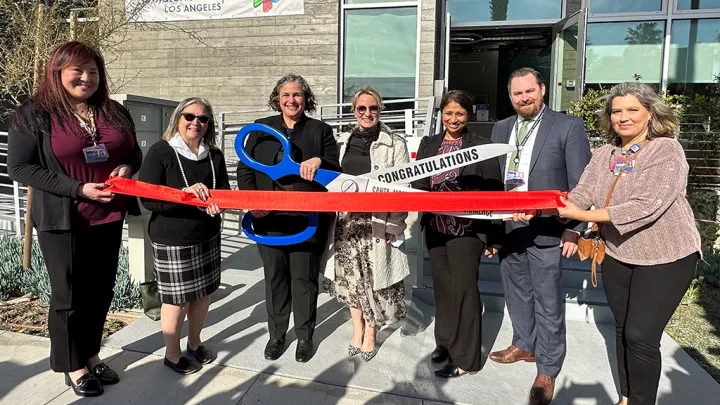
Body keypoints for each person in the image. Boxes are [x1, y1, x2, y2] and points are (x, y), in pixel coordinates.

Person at [514, 82, 701, 405]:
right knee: (622, 329)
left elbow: (647, 205)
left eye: (632, 110)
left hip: (666, 257)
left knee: (640, 336)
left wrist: (584, 215)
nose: (623, 117)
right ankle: (627, 396)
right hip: (618, 253)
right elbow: (580, 195)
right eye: (616, 111)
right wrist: (541, 208)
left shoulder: (666, 150)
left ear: (650, 113)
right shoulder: (605, 154)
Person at [7, 41, 141, 397]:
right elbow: (20, 167)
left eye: (94, 72)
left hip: (108, 215)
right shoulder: (32, 115)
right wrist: (79, 189)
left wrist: (128, 167)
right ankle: (73, 365)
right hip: (64, 219)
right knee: (68, 297)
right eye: (77, 71)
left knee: (100, 292)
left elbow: (134, 152)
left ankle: (92, 354)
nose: (86, 78)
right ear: (58, 73)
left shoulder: (112, 111)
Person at [488, 67, 591, 404]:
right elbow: (495, 182)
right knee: (516, 292)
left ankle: (547, 369)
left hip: (549, 229)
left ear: (542, 90)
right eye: (517, 94)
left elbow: (581, 184)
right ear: (510, 97)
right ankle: (524, 344)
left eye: (529, 91)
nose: (524, 98)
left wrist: (574, 230)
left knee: (548, 302)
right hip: (510, 227)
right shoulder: (502, 128)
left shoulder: (567, 126)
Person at [236, 74, 340, 363]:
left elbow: (335, 168)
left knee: (304, 280)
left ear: (306, 99)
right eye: (286, 95)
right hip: (268, 220)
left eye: (297, 95)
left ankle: (305, 337)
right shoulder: (260, 130)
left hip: (307, 221)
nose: (291, 100)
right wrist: (252, 202)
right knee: (276, 278)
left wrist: (320, 160)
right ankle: (277, 335)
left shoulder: (320, 131)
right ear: (277, 98)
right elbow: (246, 169)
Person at [411, 90, 504, 379]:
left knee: (464, 291)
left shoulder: (481, 146)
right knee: (444, 291)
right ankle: (446, 345)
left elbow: (493, 192)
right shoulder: (429, 144)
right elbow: (418, 184)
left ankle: (468, 359)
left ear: (468, 116)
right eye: (448, 113)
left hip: (467, 232)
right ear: (441, 114)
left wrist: (494, 235)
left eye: (460, 114)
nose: (453, 119)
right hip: (437, 229)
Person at [138, 97, 230, 375]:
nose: (196, 123)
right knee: (176, 301)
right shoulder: (161, 152)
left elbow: (223, 190)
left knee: (202, 295)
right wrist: (184, 195)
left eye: (203, 119)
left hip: (207, 235)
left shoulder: (213, 155)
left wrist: (218, 202)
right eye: (189, 116)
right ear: (178, 118)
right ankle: (172, 354)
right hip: (173, 239)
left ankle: (194, 342)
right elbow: (148, 199)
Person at [322, 87, 410, 362]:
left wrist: (395, 225)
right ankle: (357, 327)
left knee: (373, 281)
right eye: (362, 108)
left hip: (377, 222)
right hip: (346, 221)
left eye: (373, 108)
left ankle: (371, 332)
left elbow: (403, 188)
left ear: (380, 110)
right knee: (351, 280)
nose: (367, 113)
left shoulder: (395, 143)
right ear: (354, 111)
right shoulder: (341, 142)